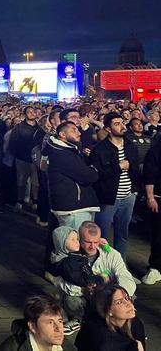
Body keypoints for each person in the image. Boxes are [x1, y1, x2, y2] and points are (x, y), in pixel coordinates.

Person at [90, 113, 140, 260]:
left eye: (122, 122)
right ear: (108, 129)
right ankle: (102, 268)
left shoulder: (131, 146)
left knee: (122, 234)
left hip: (128, 196)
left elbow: (135, 169)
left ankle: (121, 268)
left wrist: (135, 190)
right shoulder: (100, 149)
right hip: (109, 198)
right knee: (102, 235)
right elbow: (98, 175)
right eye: (117, 124)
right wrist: (119, 167)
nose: (122, 126)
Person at [46, 122, 100, 229]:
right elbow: (87, 177)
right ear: (62, 134)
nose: (79, 133)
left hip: (74, 205)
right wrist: (95, 168)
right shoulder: (62, 153)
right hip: (73, 208)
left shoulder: (69, 150)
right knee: (75, 242)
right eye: (74, 130)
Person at [50, 226, 103, 335]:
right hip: (76, 292)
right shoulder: (66, 263)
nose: (77, 242)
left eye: (77, 239)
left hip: (80, 290)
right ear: (62, 243)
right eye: (72, 240)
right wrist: (93, 280)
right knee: (70, 301)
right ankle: (78, 319)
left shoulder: (74, 255)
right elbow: (77, 278)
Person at [75, 283, 146, 351]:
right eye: (119, 302)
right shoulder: (102, 339)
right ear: (108, 311)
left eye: (126, 298)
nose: (128, 304)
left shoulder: (134, 323)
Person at [0, 294, 74, 351]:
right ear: (32, 327)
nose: (58, 328)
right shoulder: (11, 348)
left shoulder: (65, 345)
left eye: (60, 321)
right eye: (50, 322)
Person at [79, 221, 136, 297]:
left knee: (129, 295)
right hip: (82, 294)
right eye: (88, 242)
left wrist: (118, 295)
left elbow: (125, 276)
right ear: (79, 239)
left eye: (96, 242)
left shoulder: (112, 254)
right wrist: (84, 289)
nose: (92, 246)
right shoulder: (72, 255)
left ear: (100, 239)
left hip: (108, 295)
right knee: (72, 301)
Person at [9, 106, 39, 212]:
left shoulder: (39, 127)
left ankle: (35, 201)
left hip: (36, 160)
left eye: (33, 111)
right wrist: (18, 155)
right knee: (21, 181)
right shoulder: (19, 127)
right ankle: (20, 201)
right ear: (25, 114)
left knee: (36, 182)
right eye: (29, 112)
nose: (32, 113)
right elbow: (12, 143)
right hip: (22, 159)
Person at [141, 138, 161, 284]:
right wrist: (150, 197)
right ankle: (155, 267)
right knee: (158, 235)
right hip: (159, 197)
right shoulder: (155, 151)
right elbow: (150, 174)